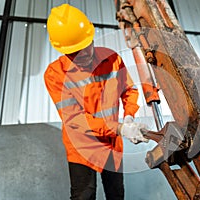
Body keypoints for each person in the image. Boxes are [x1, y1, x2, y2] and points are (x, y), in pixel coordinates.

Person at [44, 4, 149, 200]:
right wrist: (120, 129)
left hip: (112, 145)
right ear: (63, 50)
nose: (82, 55)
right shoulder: (55, 75)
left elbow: (129, 90)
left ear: (91, 38)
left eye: (85, 48)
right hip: (82, 147)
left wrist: (128, 117)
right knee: (84, 196)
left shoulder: (112, 59)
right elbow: (76, 120)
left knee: (116, 194)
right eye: (73, 53)